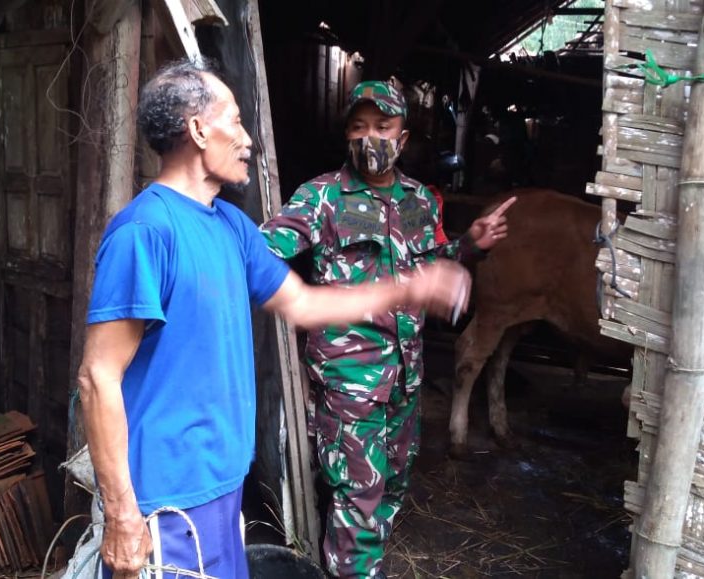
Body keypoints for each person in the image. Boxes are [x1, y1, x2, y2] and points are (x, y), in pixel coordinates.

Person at [78, 61, 471, 579]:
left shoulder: (233, 227)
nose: (248, 140)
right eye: (236, 122)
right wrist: (121, 514)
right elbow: (97, 376)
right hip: (163, 496)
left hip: (222, 484)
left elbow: (305, 304)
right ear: (198, 130)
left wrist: (410, 287)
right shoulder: (144, 232)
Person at [261, 80, 515, 579]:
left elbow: (430, 264)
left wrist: (469, 245)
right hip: (348, 379)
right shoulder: (321, 196)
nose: (370, 137)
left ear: (403, 137)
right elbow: (261, 253)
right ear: (346, 135)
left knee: (392, 486)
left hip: (405, 376)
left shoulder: (419, 200)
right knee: (358, 497)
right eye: (359, 127)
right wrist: (300, 304)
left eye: (382, 126)